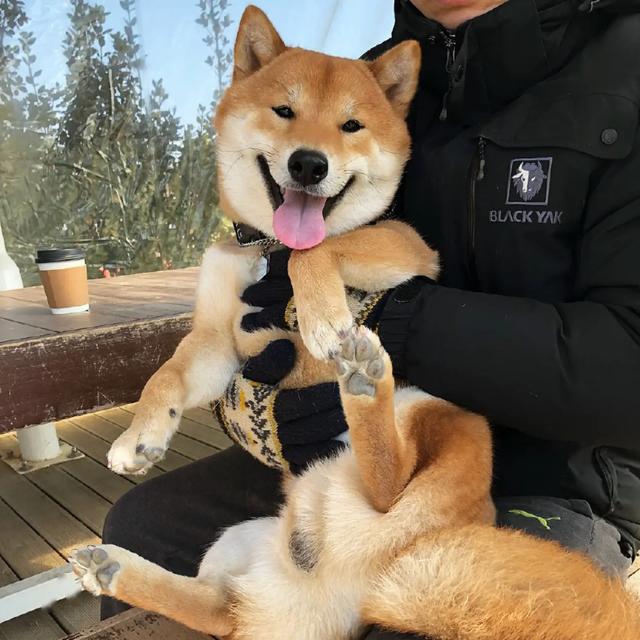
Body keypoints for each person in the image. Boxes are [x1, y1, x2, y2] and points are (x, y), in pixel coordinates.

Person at [101, 1, 640, 637]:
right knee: (143, 530)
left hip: (556, 476)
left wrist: (394, 319)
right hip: (355, 449)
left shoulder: (621, 62)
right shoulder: (375, 75)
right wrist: (247, 403)